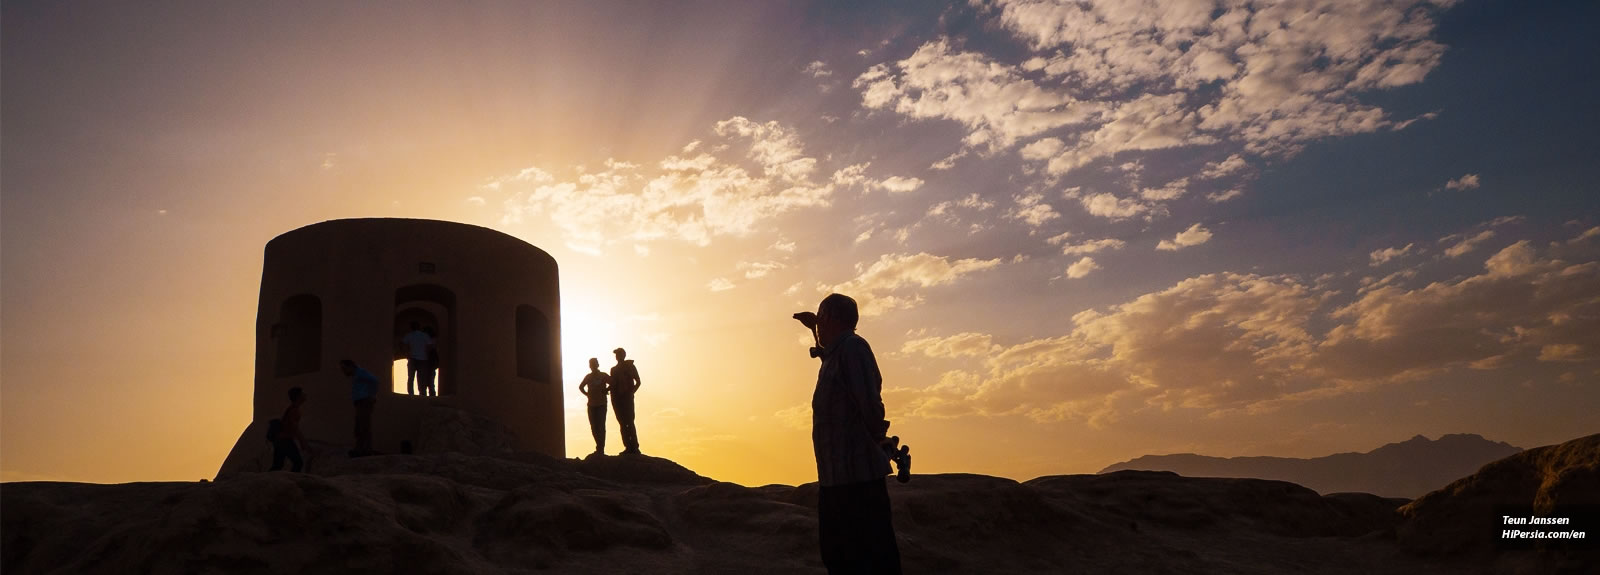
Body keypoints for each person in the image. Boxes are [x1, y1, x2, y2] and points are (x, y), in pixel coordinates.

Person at [809, 293, 901, 574]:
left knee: (871, 559)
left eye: (821, 318)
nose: (818, 325)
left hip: (857, 480)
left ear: (831, 318)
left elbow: (870, 404)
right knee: (838, 558)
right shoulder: (836, 353)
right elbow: (827, 355)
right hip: (836, 480)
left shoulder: (853, 348)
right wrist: (815, 332)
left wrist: (878, 434)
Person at [340, 359, 380, 456]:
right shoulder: (357, 375)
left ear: (350, 367)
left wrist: (371, 395)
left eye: (344, 368)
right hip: (360, 402)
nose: (343, 371)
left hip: (364, 401)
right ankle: (360, 449)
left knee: (364, 426)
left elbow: (374, 380)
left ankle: (366, 450)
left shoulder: (361, 373)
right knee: (359, 426)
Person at [609, 347, 642, 455]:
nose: (617, 356)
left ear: (623, 355)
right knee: (622, 423)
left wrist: (631, 393)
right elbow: (612, 384)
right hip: (617, 400)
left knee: (630, 422)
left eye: (619, 354)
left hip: (627, 398)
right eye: (616, 355)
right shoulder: (613, 370)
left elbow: (638, 381)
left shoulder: (630, 366)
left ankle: (635, 447)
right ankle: (628, 446)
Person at [270, 387, 308, 472]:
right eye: (303, 393)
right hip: (285, 440)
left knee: (277, 465)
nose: (305, 395)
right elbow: (295, 428)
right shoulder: (294, 411)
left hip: (280, 440)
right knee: (298, 463)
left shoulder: (291, 409)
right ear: (299, 396)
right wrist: (303, 442)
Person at [578, 358, 611, 455]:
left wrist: (606, 390)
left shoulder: (603, 375)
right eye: (591, 364)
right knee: (594, 427)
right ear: (590, 366)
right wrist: (587, 394)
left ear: (598, 364)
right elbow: (581, 386)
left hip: (601, 404)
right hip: (591, 404)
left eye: (594, 363)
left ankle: (601, 449)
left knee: (600, 426)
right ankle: (598, 446)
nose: (593, 365)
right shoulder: (588, 377)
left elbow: (613, 383)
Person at [401, 322, 431, 396]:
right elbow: (430, 346)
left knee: (411, 377)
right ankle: (422, 393)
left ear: (411, 328)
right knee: (421, 378)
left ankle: (411, 393)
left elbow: (402, 344)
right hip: (423, 359)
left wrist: (406, 353)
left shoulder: (409, 335)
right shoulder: (425, 335)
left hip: (412, 359)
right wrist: (426, 354)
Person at [419, 326, 439, 397]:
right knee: (429, 381)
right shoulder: (433, 341)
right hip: (428, 364)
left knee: (428, 381)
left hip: (429, 364)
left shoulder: (432, 341)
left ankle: (426, 395)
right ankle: (428, 395)